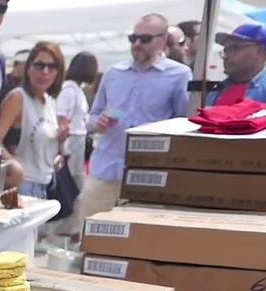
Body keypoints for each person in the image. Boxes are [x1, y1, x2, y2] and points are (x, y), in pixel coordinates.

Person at [78, 13, 190, 225]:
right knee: (91, 234)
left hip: (148, 177)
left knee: (139, 239)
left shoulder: (179, 75)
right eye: (133, 38)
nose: (137, 44)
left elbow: (184, 125)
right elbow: (92, 117)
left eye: (145, 39)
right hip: (105, 172)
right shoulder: (113, 73)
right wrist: (97, 123)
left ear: (162, 40)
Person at [0, 42, 65, 199]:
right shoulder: (18, 98)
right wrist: (13, 165)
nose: (45, 72)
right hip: (22, 186)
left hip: (46, 185)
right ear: (28, 68)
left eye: (52, 67)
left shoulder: (50, 102)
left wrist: (59, 150)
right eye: (39, 65)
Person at [209, 24, 266, 105]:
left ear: (259, 52)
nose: (225, 56)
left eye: (233, 49)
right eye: (226, 50)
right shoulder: (217, 90)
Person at [57, 52, 96, 188]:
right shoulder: (69, 90)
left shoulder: (76, 90)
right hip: (72, 140)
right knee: (73, 178)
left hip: (78, 139)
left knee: (77, 175)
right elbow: (62, 117)